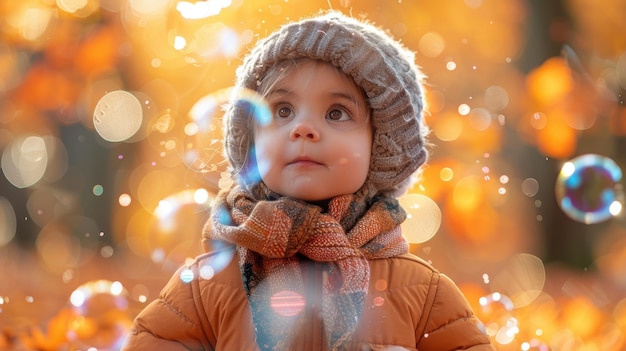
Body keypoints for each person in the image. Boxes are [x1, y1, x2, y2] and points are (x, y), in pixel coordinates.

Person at [122, 11, 496, 351]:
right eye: (282, 110)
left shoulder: (421, 291)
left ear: (381, 148)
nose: (302, 128)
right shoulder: (207, 286)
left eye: (336, 112)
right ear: (251, 142)